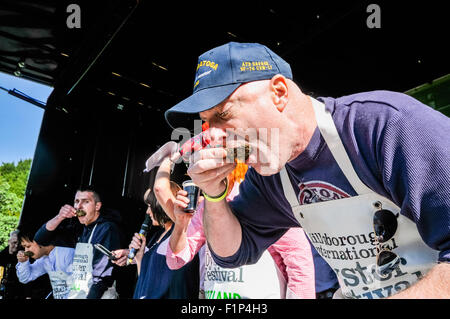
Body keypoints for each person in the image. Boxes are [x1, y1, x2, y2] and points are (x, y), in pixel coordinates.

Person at [161, 42, 450, 299]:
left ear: (279, 92)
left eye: (224, 114)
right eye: (207, 122)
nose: (214, 135)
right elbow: (231, 252)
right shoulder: (271, 177)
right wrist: (214, 194)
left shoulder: (386, 126)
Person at [149, 135, 315, 299]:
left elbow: (299, 263)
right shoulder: (204, 208)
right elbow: (176, 260)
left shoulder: (261, 198)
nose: (202, 168)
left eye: (210, 158)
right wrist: (180, 224)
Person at [111, 185, 199, 299]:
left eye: (150, 206)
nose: (148, 212)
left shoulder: (180, 234)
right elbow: (146, 280)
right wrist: (139, 257)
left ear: (161, 205)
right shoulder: (156, 237)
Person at [34, 187, 122, 298]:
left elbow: (102, 274)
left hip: (100, 294)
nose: (79, 206)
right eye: (76, 201)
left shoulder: (107, 228)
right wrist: (59, 217)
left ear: (97, 206)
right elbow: (41, 239)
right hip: (80, 291)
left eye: (86, 201)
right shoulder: (79, 229)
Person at [15, 231, 74, 299]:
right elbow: (25, 278)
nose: (26, 251)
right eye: (24, 247)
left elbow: (80, 284)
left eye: (28, 246)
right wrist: (23, 262)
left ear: (40, 240)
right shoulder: (44, 259)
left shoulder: (67, 253)